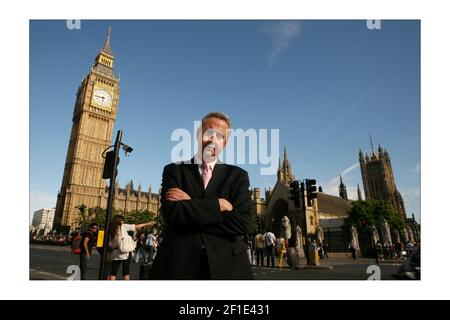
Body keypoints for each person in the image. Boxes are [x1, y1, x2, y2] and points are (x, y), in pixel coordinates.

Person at [150, 112, 253, 279]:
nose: (213, 139)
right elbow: (173, 214)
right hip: (179, 265)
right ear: (199, 135)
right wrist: (218, 205)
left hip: (228, 267)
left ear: (224, 143)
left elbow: (243, 224)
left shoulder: (238, 176)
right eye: (209, 133)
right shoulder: (174, 171)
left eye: (219, 136)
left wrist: (192, 204)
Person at [108, 215, 154, 280]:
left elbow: (110, 243)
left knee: (113, 272)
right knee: (126, 272)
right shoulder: (123, 226)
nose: (123, 221)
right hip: (125, 252)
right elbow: (136, 226)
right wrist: (147, 223)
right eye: (122, 220)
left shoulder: (111, 229)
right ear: (120, 221)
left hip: (115, 252)